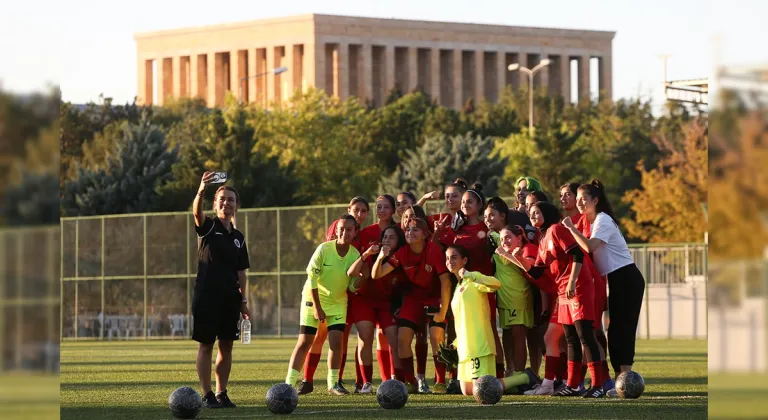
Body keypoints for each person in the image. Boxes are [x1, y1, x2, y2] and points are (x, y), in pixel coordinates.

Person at [504, 201, 607, 398]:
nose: (533, 216)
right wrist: (515, 257)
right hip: (563, 290)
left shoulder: (557, 229)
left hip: (578, 286)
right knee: (570, 339)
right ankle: (573, 385)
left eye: (536, 212)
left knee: (585, 335)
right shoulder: (543, 240)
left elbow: (577, 254)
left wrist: (572, 282)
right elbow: (536, 271)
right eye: (531, 214)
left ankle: (598, 385)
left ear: (548, 213)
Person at [562, 180, 646, 397]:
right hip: (616, 279)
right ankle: (621, 381)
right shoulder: (591, 222)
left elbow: (590, 246)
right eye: (578, 199)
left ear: (595, 201)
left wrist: (570, 229)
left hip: (627, 277)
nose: (580, 203)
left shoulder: (602, 220)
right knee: (615, 330)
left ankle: (624, 379)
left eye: (584, 199)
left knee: (622, 329)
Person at [443, 244, 537, 396]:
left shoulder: (473, 280)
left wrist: (471, 275)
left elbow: (496, 284)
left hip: (479, 346)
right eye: (447, 258)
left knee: (481, 390)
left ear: (464, 260)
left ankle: (525, 377)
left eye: (454, 257)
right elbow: (463, 320)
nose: (450, 261)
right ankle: (522, 378)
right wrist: (455, 344)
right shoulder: (457, 288)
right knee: (467, 391)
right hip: (465, 347)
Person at [372, 217, 452, 394]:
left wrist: (443, 310)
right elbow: (376, 275)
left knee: (436, 337)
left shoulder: (433, 250)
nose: (410, 232)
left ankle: (440, 381)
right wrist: (380, 257)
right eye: (408, 230)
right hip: (414, 298)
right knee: (403, 338)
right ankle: (410, 381)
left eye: (415, 230)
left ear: (425, 234)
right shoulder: (402, 252)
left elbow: (445, 281)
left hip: (435, 298)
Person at [192, 172, 251, 409]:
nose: (226, 202)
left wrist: (243, 301)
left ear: (237, 205)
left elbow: (241, 272)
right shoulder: (208, 227)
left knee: (226, 346)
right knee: (206, 344)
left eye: (231, 199)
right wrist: (201, 190)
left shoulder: (238, 237)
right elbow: (196, 212)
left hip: (230, 298)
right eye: (222, 199)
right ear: (215, 204)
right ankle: (206, 394)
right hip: (207, 295)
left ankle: (221, 393)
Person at [299, 197, 369, 394]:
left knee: (340, 341)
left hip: (346, 296)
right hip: (325, 296)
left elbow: (356, 278)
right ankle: (306, 380)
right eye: (356, 209)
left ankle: (339, 383)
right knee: (316, 338)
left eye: (363, 210)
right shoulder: (335, 233)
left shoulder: (366, 236)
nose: (359, 213)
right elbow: (324, 266)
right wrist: (319, 304)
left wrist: (365, 274)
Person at [285, 215, 362, 395]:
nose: (345, 232)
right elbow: (311, 278)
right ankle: (288, 385)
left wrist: (361, 280)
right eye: (341, 228)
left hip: (338, 303)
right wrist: (318, 308)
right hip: (313, 299)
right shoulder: (324, 249)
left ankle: (333, 384)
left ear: (355, 232)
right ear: (336, 230)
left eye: (349, 229)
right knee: (305, 342)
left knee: (336, 342)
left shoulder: (355, 255)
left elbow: (351, 286)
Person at [560, 181, 612, 393]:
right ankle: (577, 382)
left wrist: (572, 280)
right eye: (561, 195)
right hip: (574, 282)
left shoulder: (594, 220)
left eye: (568, 195)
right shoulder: (572, 221)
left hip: (588, 281)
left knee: (590, 333)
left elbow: (584, 251)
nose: (565, 199)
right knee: (575, 336)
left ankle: (602, 380)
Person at [485, 198, 534, 377]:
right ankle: (510, 369)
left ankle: (520, 374)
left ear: (503, 216)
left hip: (516, 294)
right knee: (507, 332)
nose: (487, 219)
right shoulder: (492, 236)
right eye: (485, 216)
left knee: (518, 334)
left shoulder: (510, 235)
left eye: (491, 215)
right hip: (503, 295)